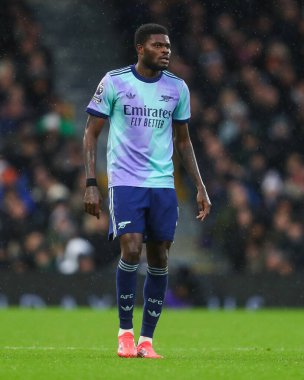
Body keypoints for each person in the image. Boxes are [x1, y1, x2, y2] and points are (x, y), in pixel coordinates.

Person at [83, 23, 211, 359]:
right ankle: (125, 333)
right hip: (125, 181)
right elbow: (90, 133)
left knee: (160, 257)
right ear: (140, 48)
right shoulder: (115, 82)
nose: (166, 51)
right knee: (131, 248)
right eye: (158, 45)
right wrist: (91, 183)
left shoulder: (177, 89)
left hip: (162, 184)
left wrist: (200, 186)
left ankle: (146, 341)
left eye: (168, 46)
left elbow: (183, 141)